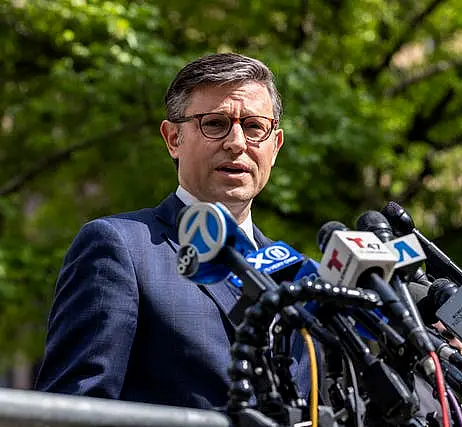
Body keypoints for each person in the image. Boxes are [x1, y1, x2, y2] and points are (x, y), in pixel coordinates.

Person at [34, 53, 313, 410]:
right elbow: (72, 412)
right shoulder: (119, 248)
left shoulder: (298, 274)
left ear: (275, 147)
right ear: (173, 139)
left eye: (255, 127)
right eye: (215, 123)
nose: (237, 143)